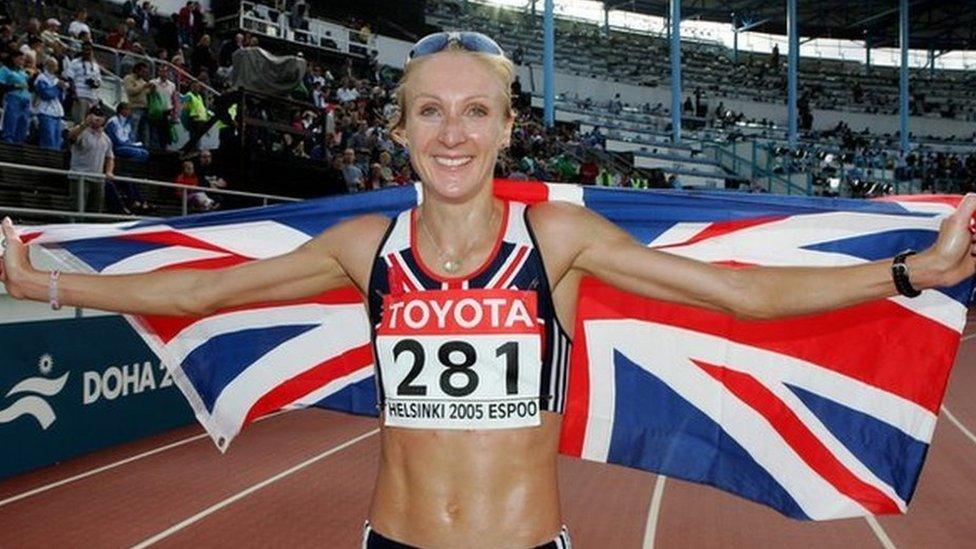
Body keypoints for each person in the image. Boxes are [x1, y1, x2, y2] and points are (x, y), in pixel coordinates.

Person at [3, 31, 976, 548]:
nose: (454, 132)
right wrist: (44, 279)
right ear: (398, 131)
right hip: (393, 543)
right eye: (430, 111)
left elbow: (736, 295)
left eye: (477, 112)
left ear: (509, 130)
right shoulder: (362, 244)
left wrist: (908, 273)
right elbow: (210, 295)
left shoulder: (553, 237)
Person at [66, 105, 116, 213]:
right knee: (77, 208)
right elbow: (70, 136)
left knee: (95, 210)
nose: (98, 118)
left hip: (98, 178)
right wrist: (84, 123)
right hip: (80, 176)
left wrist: (109, 171)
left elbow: (110, 157)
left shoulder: (106, 138)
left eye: (101, 116)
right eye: (95, 115)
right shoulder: (81, 132)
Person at [32, 57, 67, 150]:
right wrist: (58, 87)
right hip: (45, 112)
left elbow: (60, 98)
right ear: (46, 66)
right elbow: (46, 94)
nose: (54, 67)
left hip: (56, 113)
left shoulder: (56, 79)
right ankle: (46, 160)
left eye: (55, 65)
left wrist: (61, 88)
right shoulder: (41, 78)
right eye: (52, 65)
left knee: (57, 139)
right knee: (48, 138)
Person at [0, 49, 30, 144]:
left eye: (23, 59)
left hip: (25, 100)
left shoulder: (23, 72)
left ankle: (19, 143)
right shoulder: (5, 69)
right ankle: (8, 142)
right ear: (13, 58)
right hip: (12, 98)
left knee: (23, 123)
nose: (22, 61)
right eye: (20, 59)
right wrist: (15, 86)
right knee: (11, 121)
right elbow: (1, 85)